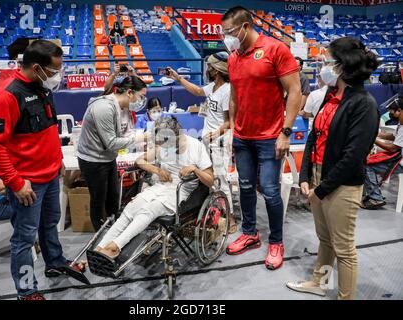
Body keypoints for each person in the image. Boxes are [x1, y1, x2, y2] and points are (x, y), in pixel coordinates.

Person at [0, 40, 85, 301]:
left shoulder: (43, 88)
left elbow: (48, 129)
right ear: (37, 67)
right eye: (54, 71)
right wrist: (15, 182)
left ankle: (55, 261)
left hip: (50, 175)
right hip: (27, 184)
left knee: (50, 225)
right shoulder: (7, 95)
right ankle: (26, 290)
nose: (57, 76)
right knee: (24, 239)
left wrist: (57, 159)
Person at [286, 37, 380, 300]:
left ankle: (345, 297)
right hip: (319, 177)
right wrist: (306, 175)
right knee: (325, 240)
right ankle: (320, 282)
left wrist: (322, 188)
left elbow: (353, 156)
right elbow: (315, 136)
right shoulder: (330, 94)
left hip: (342, 186)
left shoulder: (364, 104)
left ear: (342, 66)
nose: (322, 66)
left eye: (326, 61)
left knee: (344, 248)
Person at [221, 6, 302, 270]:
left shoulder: (276, 49)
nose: (227, 37)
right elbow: (234, 96)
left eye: (229, 32)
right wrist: (233, 127)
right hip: (243, 138)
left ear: (245, 27)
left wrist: (285, 133)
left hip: (270, 138)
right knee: (244, 187)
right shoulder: (233, 57)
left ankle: (276, 241)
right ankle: (250, 233)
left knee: (269, 191)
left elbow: (295, 92)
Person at [95, 117, 214, 259]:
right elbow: (139, 161)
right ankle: (100, 247)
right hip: (160, 186)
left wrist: (195, 169)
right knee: (131, 207)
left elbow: (210, 180)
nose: (163, 147)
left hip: (181, 191)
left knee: (149, 210)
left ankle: (115, 247)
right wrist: (158, 171)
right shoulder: (164, 143)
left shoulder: (196, 147)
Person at [166, 52, 236, 233]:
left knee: (220, 180)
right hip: (207, 140)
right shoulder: (212, 86)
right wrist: (178, 78)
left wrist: (216, 133)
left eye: (211, 67)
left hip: (218, 141)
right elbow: (197, 91)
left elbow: (230, 121)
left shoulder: (228, 90)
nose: (208, 70)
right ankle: (216, 211)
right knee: (208, 179)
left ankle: (231, 218)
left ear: (217, 71)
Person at [77, 76, 150, 231]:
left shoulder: (124, 108)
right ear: (130, 92)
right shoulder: (104, 107)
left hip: (108, 158)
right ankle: (100, 238)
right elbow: (111, 143)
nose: (142, 101)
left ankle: (113, 233)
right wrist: (140, 138)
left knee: (113, 199)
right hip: (93, 161)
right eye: (141, 96)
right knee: (99, 201)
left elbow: (125, 134)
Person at [362, 96, 403, 210]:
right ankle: (373, 192)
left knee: (366, 164)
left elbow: (392, 148)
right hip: (399, 156)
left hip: (400, 161)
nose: (390, 114)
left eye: (391, 111)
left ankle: (375, 198)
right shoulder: (401, 122)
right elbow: (393, 136)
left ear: (399, 111)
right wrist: (376, 133)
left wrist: (373, 139)